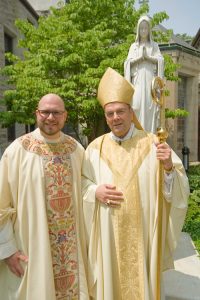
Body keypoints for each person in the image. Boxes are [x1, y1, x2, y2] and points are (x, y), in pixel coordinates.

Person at [82, 68, 189, 300]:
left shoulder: (154, 145)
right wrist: (94, 191)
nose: (115, 118)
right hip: (108, 239)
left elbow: (177, 190)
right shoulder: (94, 149)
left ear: (131, 112)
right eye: (109, 113)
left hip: (143, 240)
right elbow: (82, 186)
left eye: (120, 111)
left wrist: (169, 167)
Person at [0, 94, 89, 300]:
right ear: (36, 114)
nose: (50, 117)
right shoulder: (18, 150)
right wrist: (7, 250)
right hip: (29, 249)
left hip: (72, 255)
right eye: (45, 112)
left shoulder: (76, 150)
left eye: (56, 112)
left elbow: (88, 191)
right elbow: (1, 204)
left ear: (65, 116)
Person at [124, 15, 164, 133]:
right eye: (141, 28)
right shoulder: (134, 46)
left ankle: (150, 136)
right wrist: (140, 59)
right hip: (137, 82)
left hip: (150, 83)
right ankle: (137, 135)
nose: (143, 31)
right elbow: (127, 63)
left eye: (145, 28)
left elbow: (160, 60)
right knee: (136, 105)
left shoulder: (154, 46)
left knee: (149, 107)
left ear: (149, 30)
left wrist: (148, 57)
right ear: (138, 30)